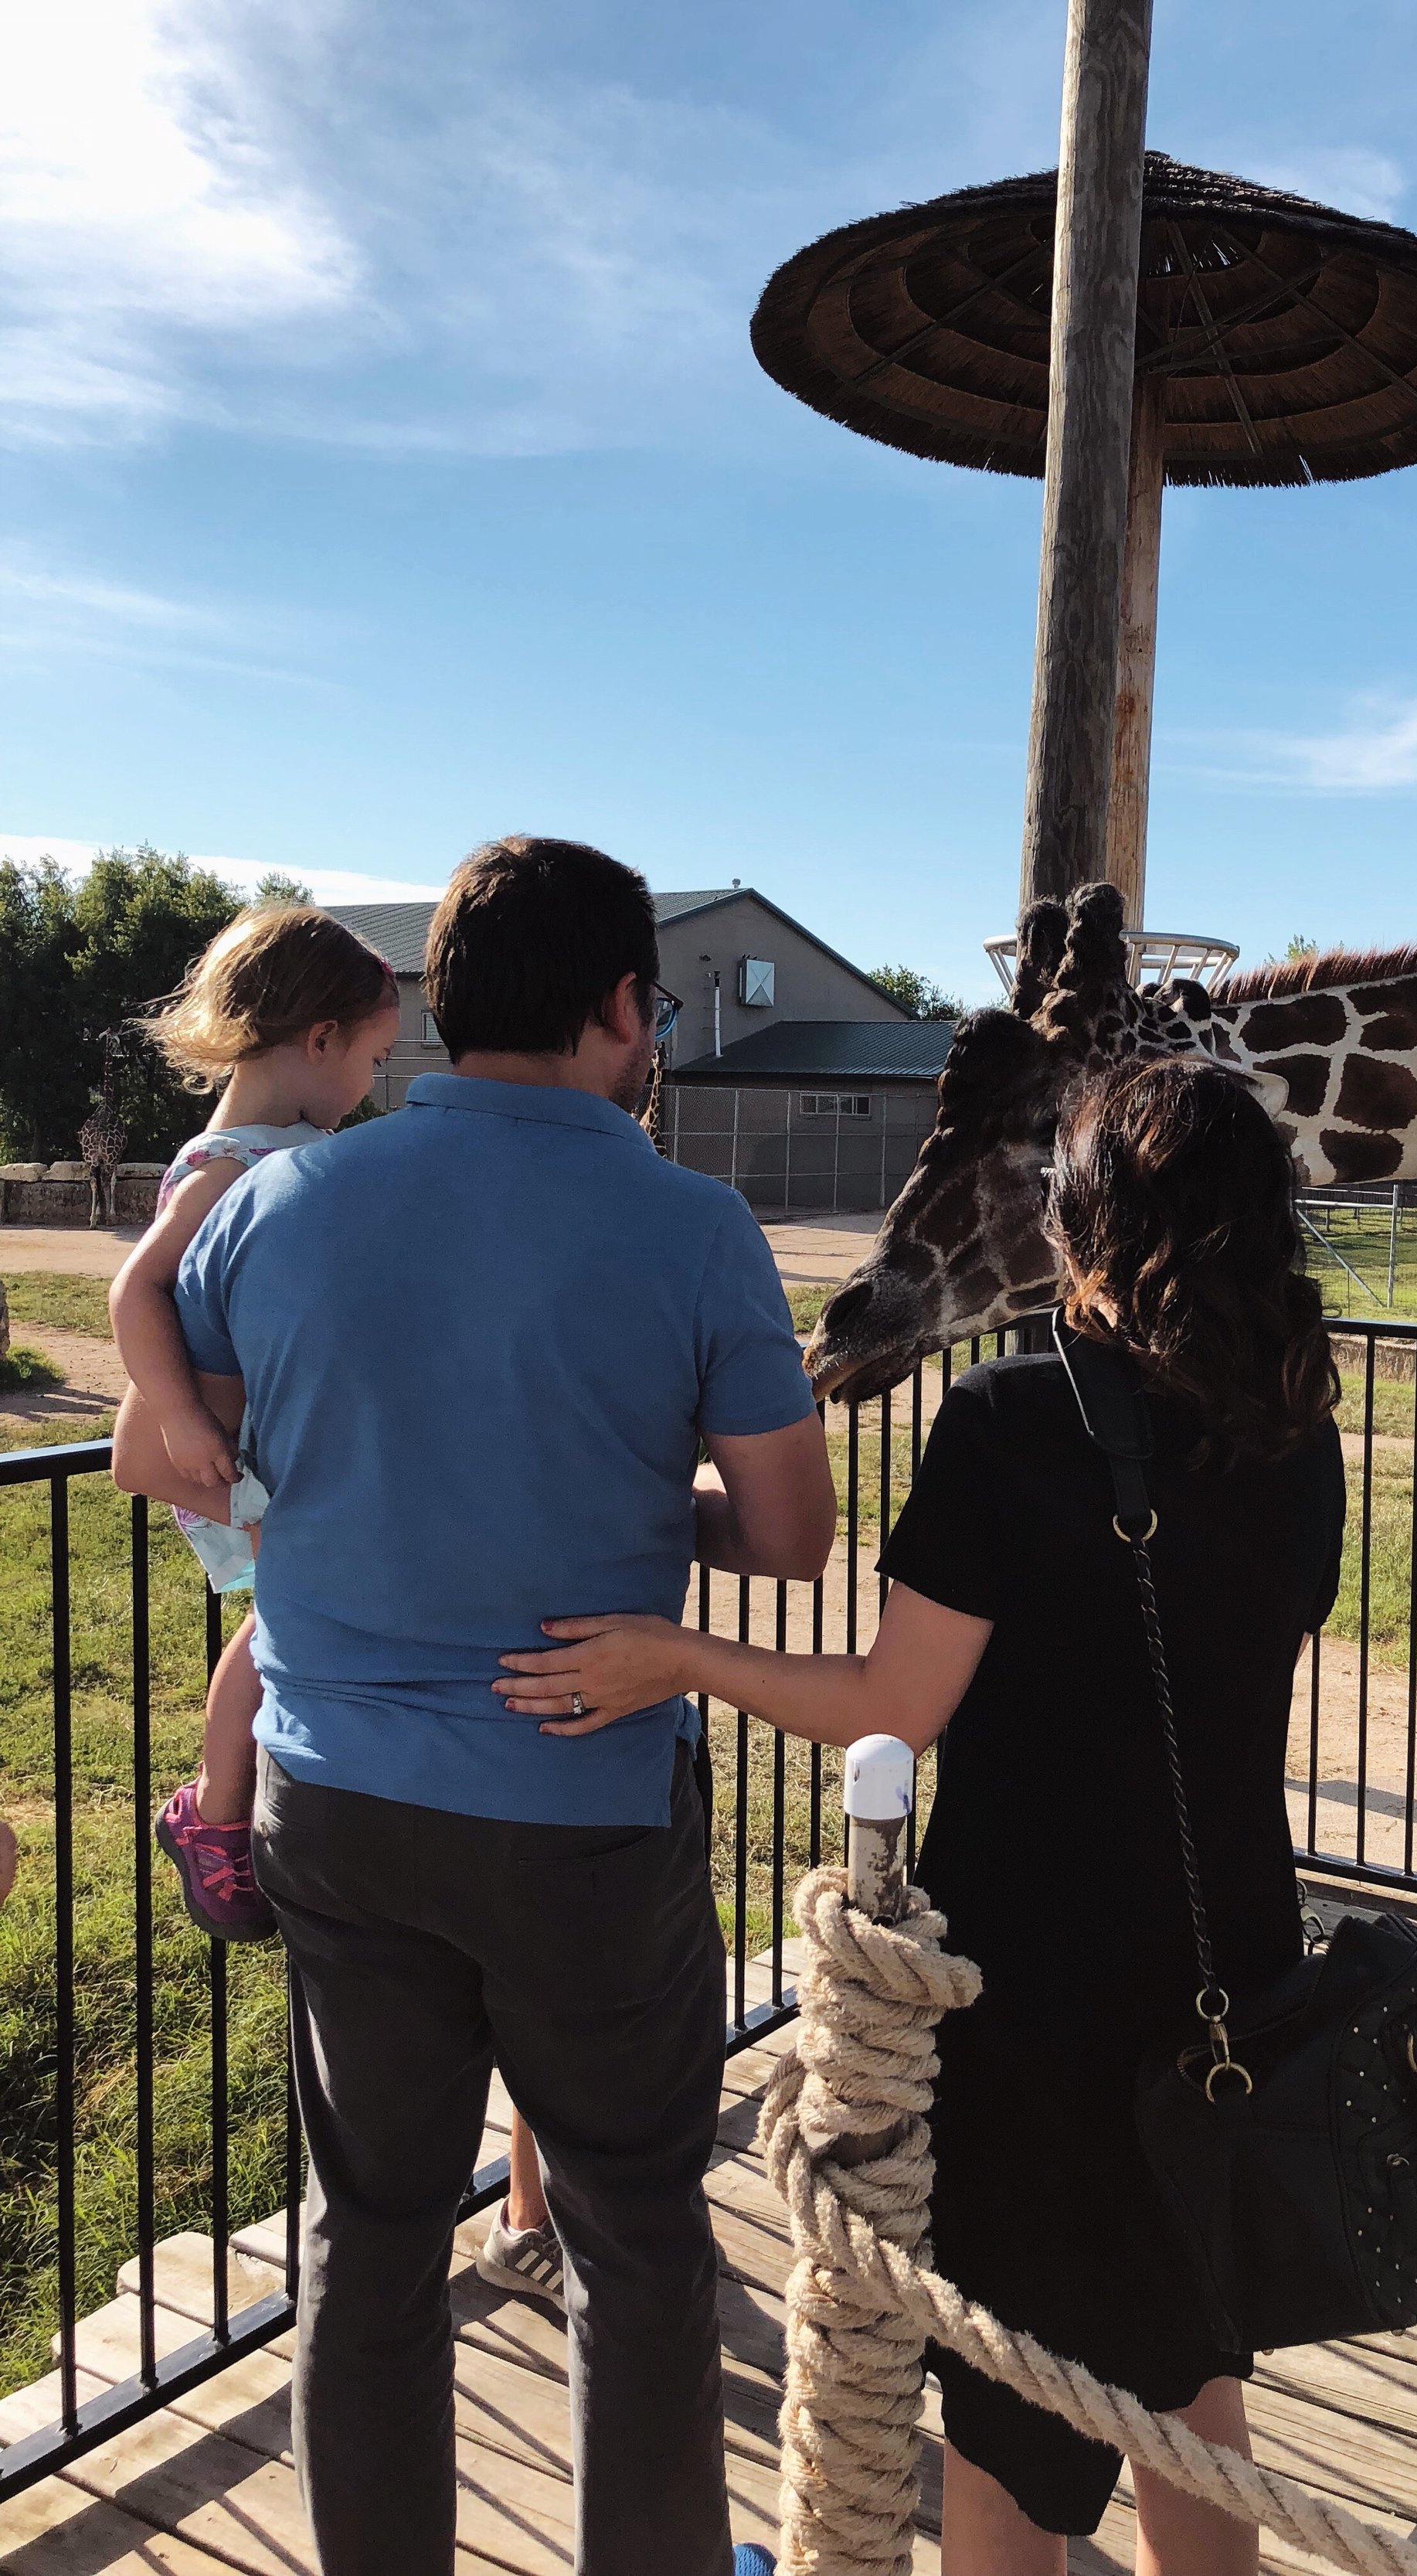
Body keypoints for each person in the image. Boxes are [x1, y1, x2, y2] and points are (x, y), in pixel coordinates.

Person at [496, 1057, 1347, 2576]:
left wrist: (675, 1653)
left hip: (1031, 1987)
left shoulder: (1013, 1420)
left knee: (1016, 2391)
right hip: (1232, 1949)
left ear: (1086, 1219)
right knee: (1186, 2356)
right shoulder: (1296, 1422)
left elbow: (891, 1700)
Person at [114, 835, 833, 2576]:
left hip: (336, 1800)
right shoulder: (691, 1220)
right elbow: (795, 1533)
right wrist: (611, 1494)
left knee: (367, 2239)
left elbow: (174, 1449)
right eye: (650, 1003)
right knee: (633, 2236)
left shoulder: (283, 1200)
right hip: (582, 1806)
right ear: (615, 1007)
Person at [109, 903, 399, 1940]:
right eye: (372, 1056)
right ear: (319, 1040)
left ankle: (230, 1803)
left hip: (251, 1446)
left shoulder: (283, 1151)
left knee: (282, 1621)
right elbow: (134, 1293)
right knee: (278, 1626)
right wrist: (185, 1420)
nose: (374, 1083)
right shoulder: (233, 1161)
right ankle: (214, 1812)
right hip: (223, 1455)